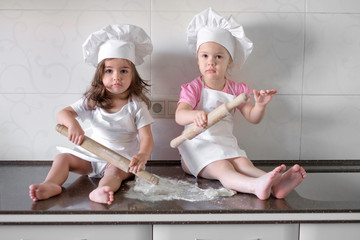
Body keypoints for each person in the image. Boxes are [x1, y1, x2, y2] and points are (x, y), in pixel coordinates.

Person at [175, 8, 306, 200]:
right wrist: (195, 115)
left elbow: (252, 117)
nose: (211, 62)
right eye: (205, 56)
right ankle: (255, 186)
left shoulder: (237, 89)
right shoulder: (194, 88)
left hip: (226, 145)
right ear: (198, 59)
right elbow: (179, 115)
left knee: (245, 164)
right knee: (225, 168)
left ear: (229, 61)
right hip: (197, 150)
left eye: (218, 57)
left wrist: (260, 105)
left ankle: (277, 184)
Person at [29, 24, 154, 205]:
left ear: (133, 75)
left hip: (122, 159)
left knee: (115, 172)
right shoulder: (93, 101)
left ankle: (103, 190)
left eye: (124, 71)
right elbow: (63, 113)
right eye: (109, 70)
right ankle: (51, 184)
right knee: (62, 158)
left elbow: (147, 138)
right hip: (92, 157)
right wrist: (73, 124)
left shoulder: (136, 106)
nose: (116, 77)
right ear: (100, 74)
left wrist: (143, 154)